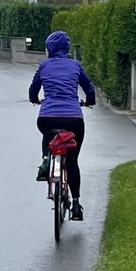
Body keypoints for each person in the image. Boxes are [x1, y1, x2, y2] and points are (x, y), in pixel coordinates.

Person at [29, 30, 96, 222]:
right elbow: (89, 88)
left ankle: (44, 164)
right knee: (73, 161)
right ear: (66, 48)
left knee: (48, 135)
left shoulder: (43, 66)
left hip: (47, 117)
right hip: (73, 119)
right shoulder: (75, 65)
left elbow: (33, 90)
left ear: (49, 48)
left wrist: (35, 100)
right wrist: (89, 101)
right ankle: (75, 205)